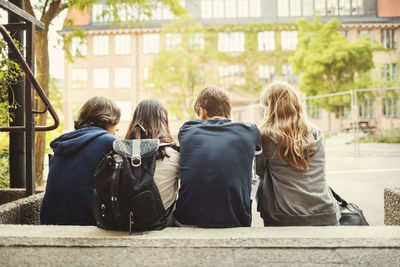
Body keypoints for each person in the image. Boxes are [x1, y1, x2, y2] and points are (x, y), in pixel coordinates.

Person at [174, 85, 261, 228]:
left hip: (188, 220)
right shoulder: (250, 131)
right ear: (230, 113)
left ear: (201, 111)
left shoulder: (186, 130)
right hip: (236, 221)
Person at [256, 80, 341, 226]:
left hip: (284, 217)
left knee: (263, 182)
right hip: (326, 214)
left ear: (268, 109)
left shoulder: (265, 137)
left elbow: (260, 171)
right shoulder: (316, 133)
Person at [40, 96, 121, 225]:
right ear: (107, 120)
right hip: (85, 222)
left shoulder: (65, 141)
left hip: (49, 220)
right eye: (116, 123)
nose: (117, 129)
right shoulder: (108, 142)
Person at [125, 99, 180, 225]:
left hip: (127, 222)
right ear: (163, 122)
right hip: (162, 223)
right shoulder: (174, 156)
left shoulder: (121, 155)